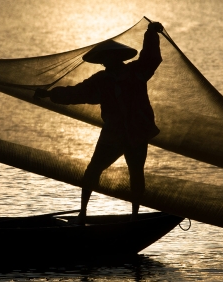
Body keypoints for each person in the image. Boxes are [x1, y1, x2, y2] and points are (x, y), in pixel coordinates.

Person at [34, 22, 163, 224]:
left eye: (108, 57)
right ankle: (83, 213)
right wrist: (50, 94)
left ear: (117, 57)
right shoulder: (101, 80)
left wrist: (151, 33)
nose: (106, 61)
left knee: (136, 174)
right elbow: (76, 93)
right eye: (104, 59)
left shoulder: (136, 71)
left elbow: (152, 58)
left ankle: (135, 217)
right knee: (93, 171)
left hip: (136, 132)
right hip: (114, 133)